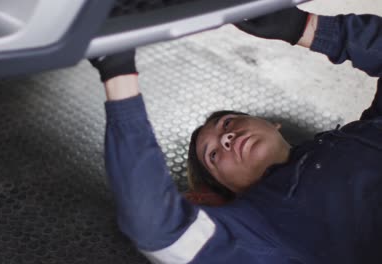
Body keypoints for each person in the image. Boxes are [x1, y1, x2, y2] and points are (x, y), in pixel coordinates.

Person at [90, 7, 382, 264]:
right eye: (214, 155)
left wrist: (306, 27)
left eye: (228, 124)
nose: (226, 138)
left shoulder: (363, 131)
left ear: (272, 124)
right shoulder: (261, 227)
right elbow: (155, 227)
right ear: (228, 191)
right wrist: (118, 72)